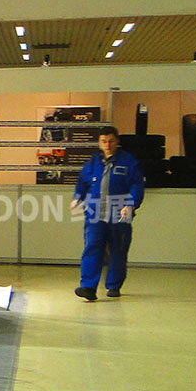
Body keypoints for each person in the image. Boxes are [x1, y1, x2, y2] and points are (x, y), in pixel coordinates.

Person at [70, 126, 145, 300]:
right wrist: (77, 198)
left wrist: (130, 205)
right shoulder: (92, 163)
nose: (107, 145)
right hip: (95, 214)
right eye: (104, 141)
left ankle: (114, 285)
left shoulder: (129, 162)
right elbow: (82, 183)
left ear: (117, 141)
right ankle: (88, 287)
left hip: (119, 215)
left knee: (118, 250)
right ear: (99, 142)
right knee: (92, 248)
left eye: (111, 141)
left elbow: (137, 185)